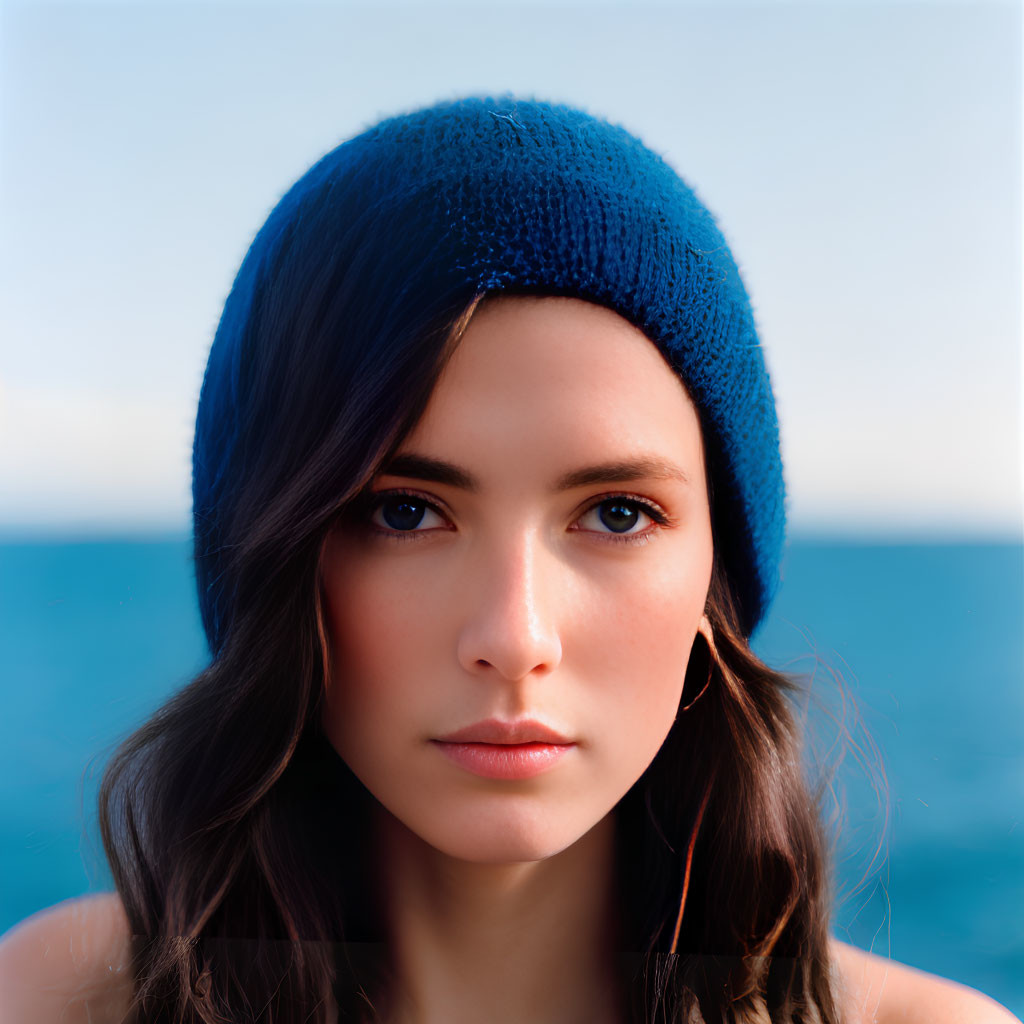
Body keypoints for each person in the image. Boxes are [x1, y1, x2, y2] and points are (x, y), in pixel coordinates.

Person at [0, 96, 1017, 1024]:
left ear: (717, 568)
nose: (513, 636)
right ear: (270, 551)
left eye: (616, 512)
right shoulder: (57, 1000)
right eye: (403, 512)